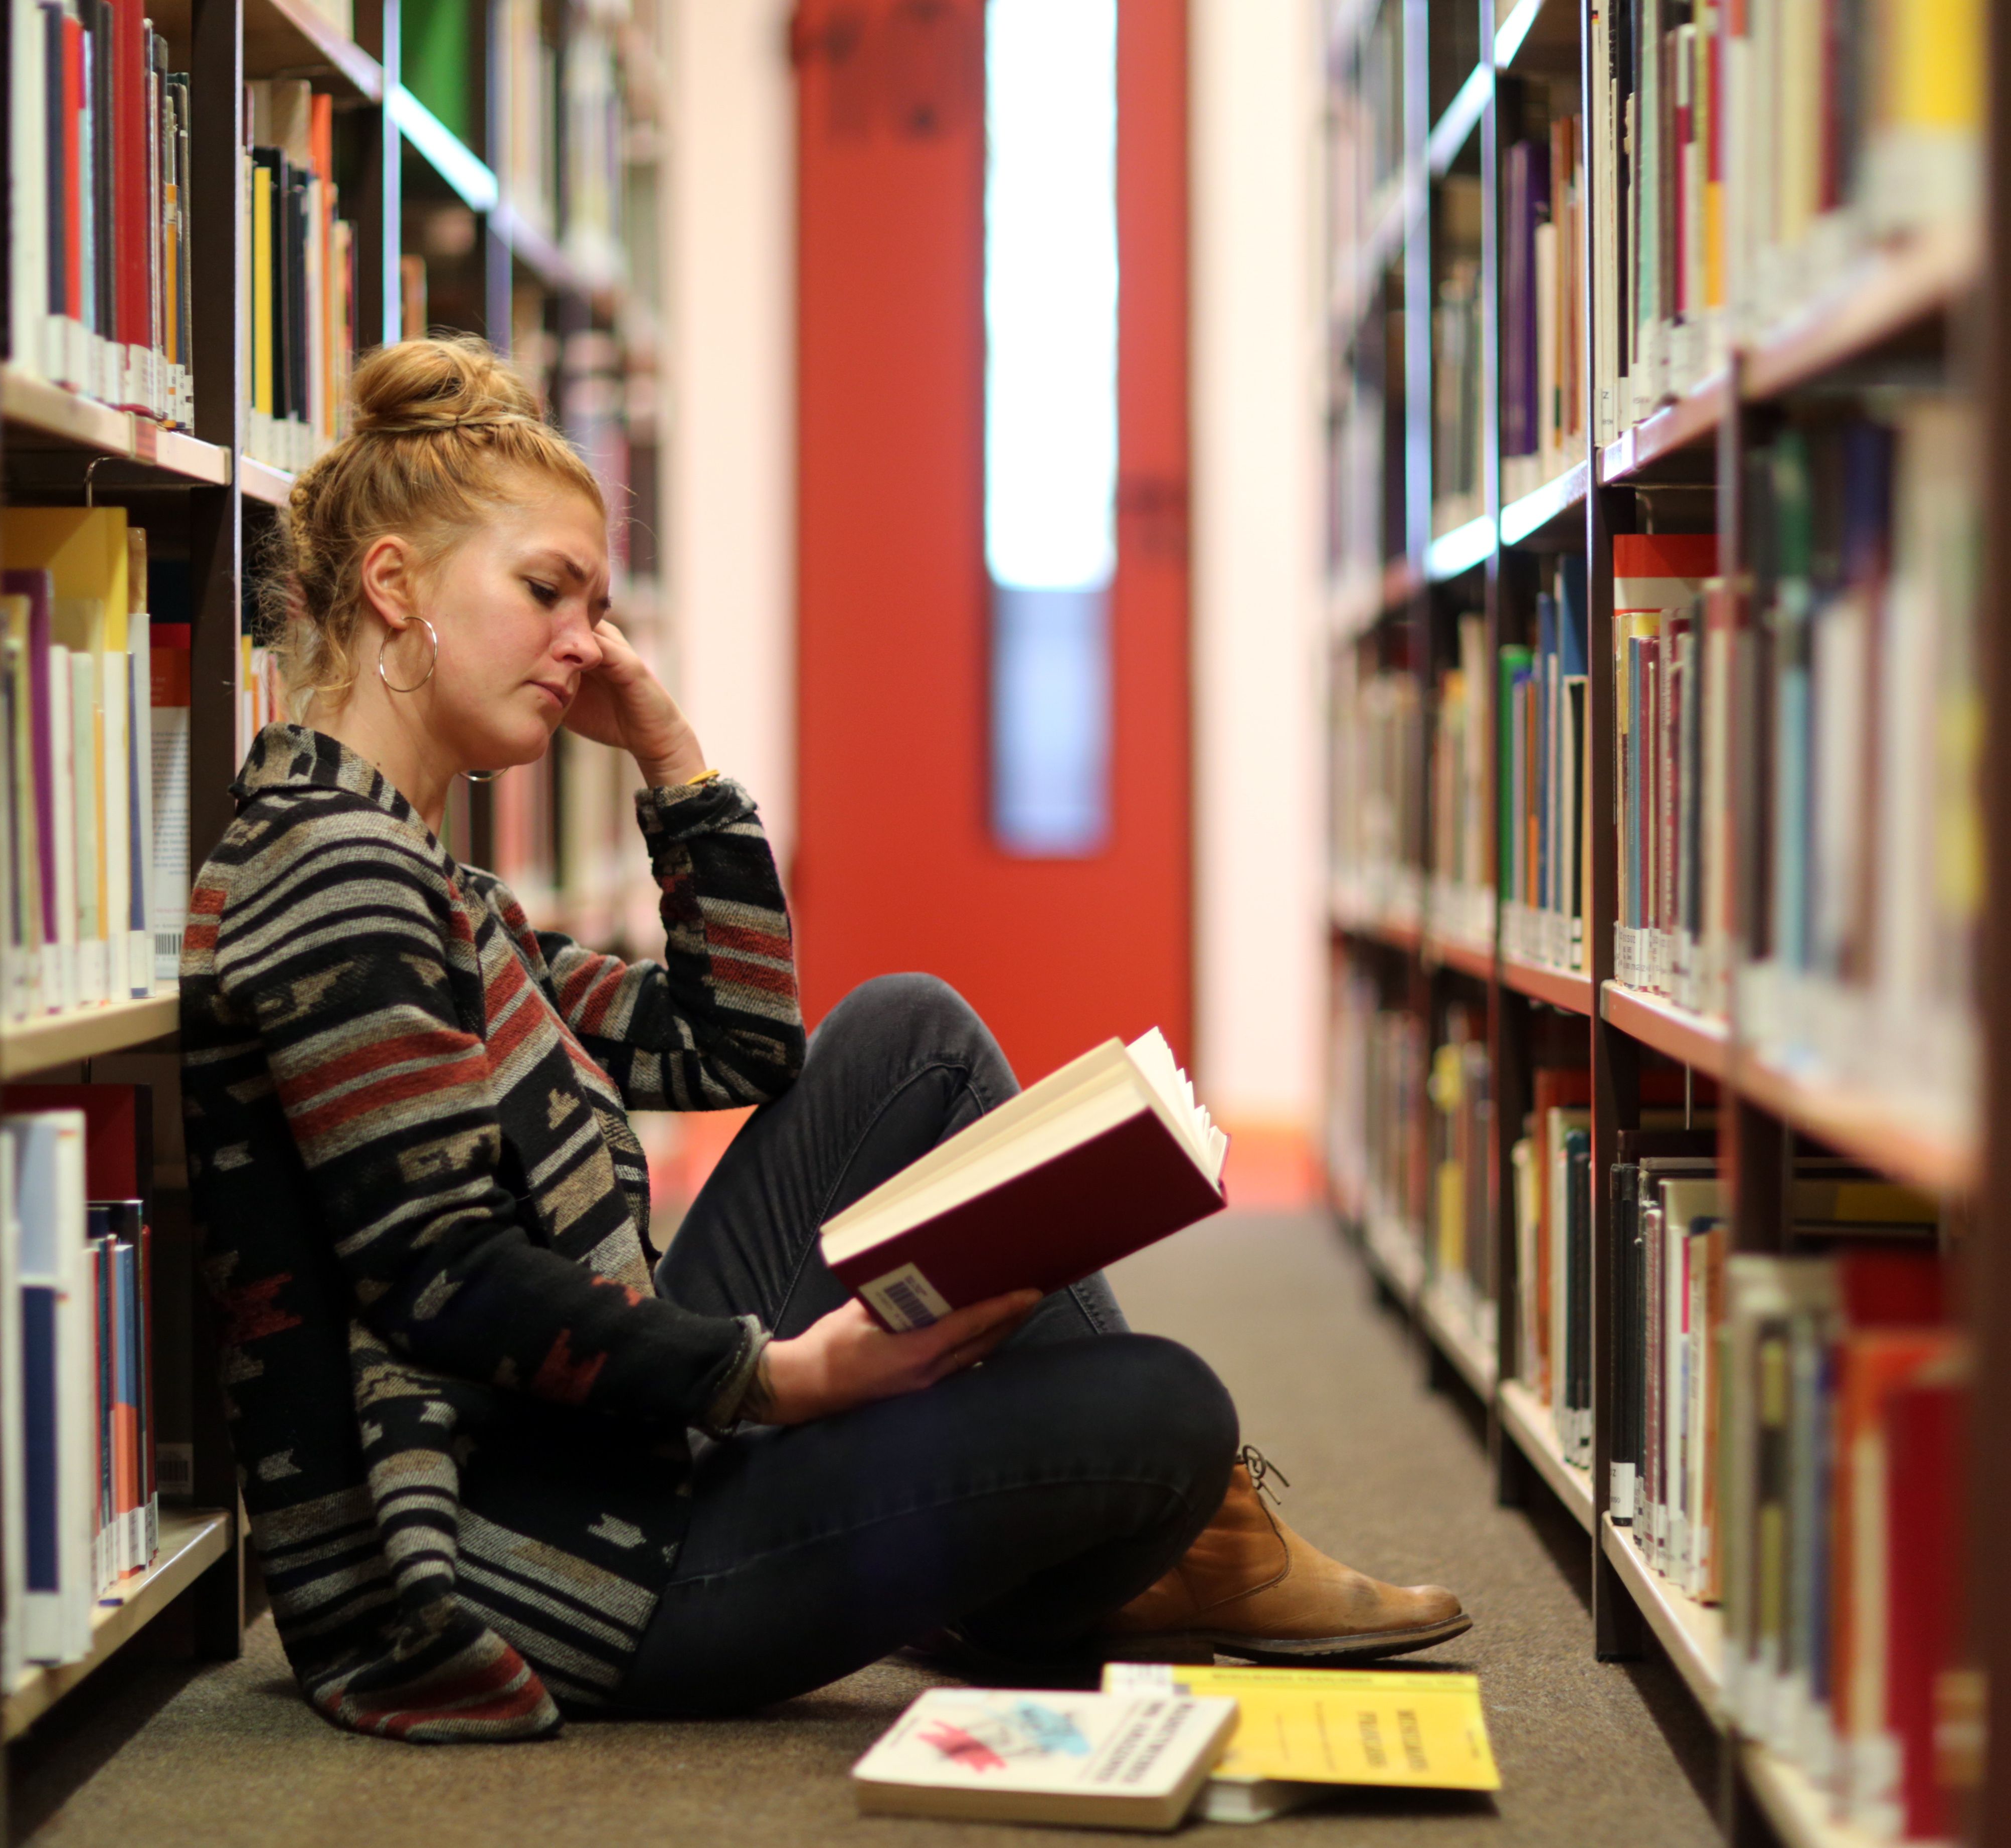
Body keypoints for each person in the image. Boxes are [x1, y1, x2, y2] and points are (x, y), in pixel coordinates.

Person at [180, 334, 1469, 1740]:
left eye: (599, 605)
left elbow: (738, 1050)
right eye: (547, 591)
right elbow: (448, 1282)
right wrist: (785, 1378)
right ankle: (1152, 1550)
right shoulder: (335, 881)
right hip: (544, 1568)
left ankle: (1162, 1549)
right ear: (394, 588)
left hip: (604, 1457)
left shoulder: (429, 881)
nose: (588, 644)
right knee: (1166, 1409)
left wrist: (676, 762)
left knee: (911, 1033)